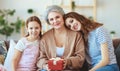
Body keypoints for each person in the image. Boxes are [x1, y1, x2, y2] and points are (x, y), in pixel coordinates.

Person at [37, 5, 85, 71]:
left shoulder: (76, 35)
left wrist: (67, 62)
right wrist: (46, 66)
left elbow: (80, 57)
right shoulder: (45, 38)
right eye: (51, 19)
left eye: (57, 17)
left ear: (63, 17)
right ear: (49, 22)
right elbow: (41, 58)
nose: (55, 21)